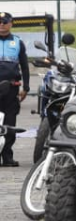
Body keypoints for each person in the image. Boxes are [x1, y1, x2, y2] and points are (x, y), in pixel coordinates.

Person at [0, 11, 30, 167]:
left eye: (5, 22)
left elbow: (24, 66)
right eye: (0, 22)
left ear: (11, 23)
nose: (2, 25)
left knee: (10, 123)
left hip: (11, 88)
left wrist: (26, 87)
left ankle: (7, 156)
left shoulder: (18, 42)